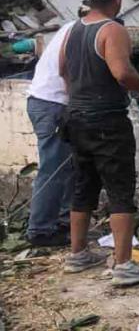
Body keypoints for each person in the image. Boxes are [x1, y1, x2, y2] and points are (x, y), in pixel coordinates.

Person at [59, 0, 139, 286]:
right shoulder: (112, 30)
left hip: (76, 117)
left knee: (83, 185)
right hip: (106, 120)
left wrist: (79, 97)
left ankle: (77, 255)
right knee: (119, 189)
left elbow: (63, 69)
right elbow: (121, 72)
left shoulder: (74, 29)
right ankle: (124, 264)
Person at [24, 17, 78, 247]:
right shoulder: (79, 31)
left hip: (49, 102)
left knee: (71, 164)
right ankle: (40, 230)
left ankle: (65, 220)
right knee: (53, 168)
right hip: (53, 104)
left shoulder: (73, 27)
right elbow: (65, 67)